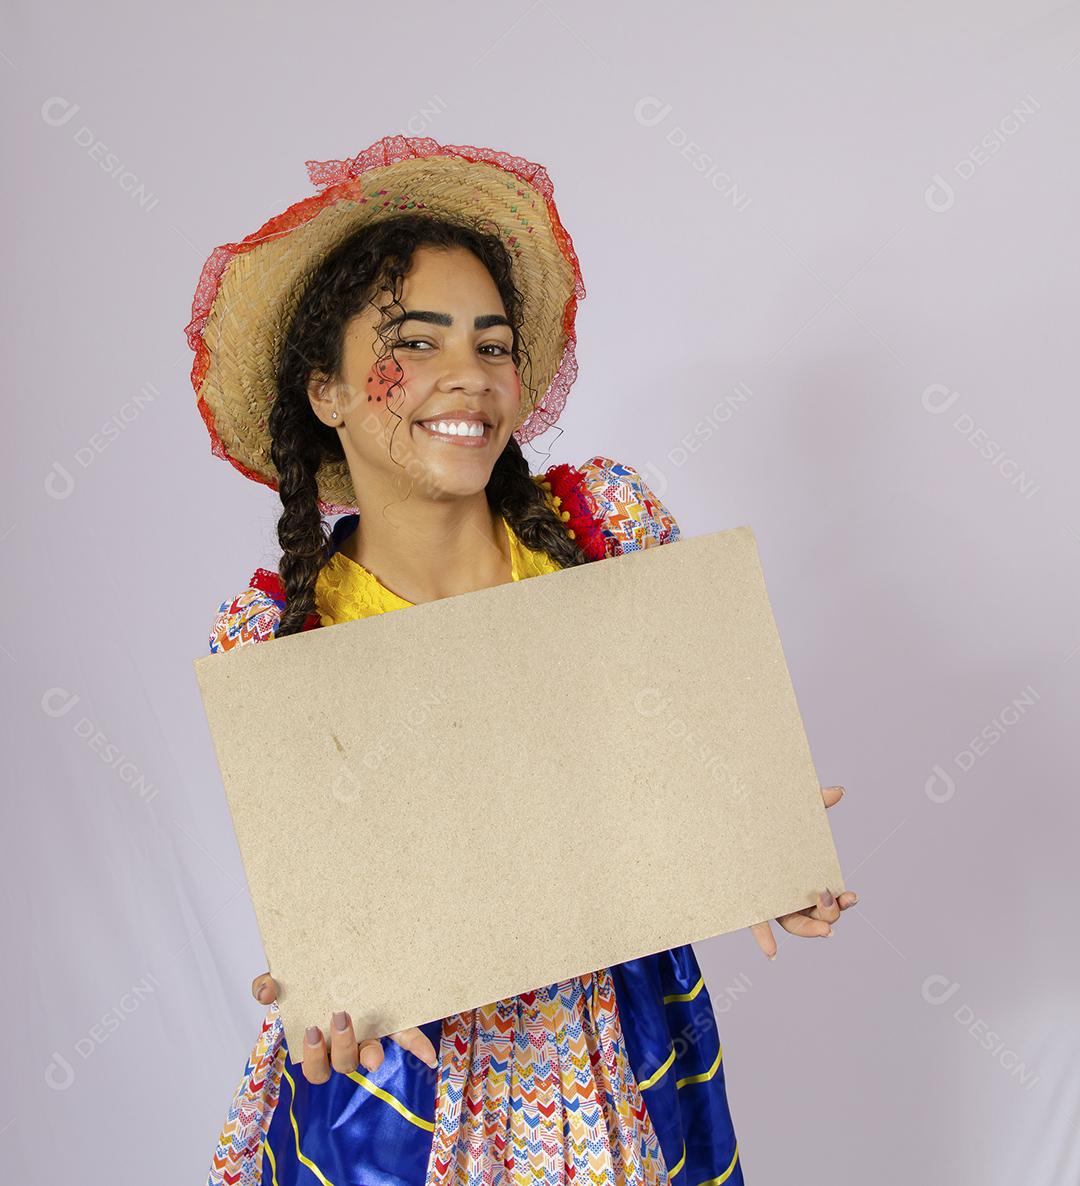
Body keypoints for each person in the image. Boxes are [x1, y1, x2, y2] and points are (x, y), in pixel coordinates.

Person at [187, 134, 858, 1186]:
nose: (470, 376)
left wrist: (759, 846)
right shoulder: (279, 632)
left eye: (493, 345)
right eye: (418, 340)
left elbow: (674, 773)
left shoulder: (602, 532)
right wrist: (307, 987)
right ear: (324, 390)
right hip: (399, 1087)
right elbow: (327, 904)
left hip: (612, 1050)